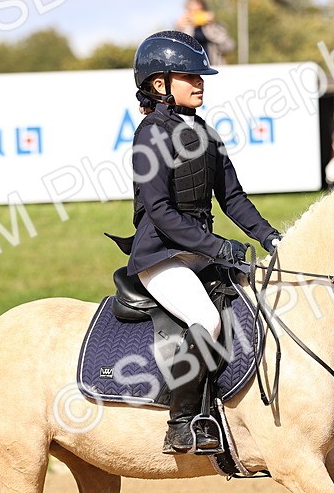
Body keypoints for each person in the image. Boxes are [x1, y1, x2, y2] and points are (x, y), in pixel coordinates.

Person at [108, 31, 281, 454]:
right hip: (161, 255)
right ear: (159, 83)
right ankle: (182, 422)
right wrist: (218, 247)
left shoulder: (205, 132)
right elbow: (161, 212)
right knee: (209, 319)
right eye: (190, 75)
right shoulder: (150, 134)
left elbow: (233, 199)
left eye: (201, 75)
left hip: (199, 252)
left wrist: (270, 236)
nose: (200, 82)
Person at [175, 0, 233, 66]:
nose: (195, 14)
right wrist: (179, 28)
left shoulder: (214, 26)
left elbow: (228, 48)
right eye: (192, 11)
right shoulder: (184, 27)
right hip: (191, 68)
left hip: (214, 66)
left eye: (199, 10)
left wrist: (213, 26)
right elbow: (178, 50)